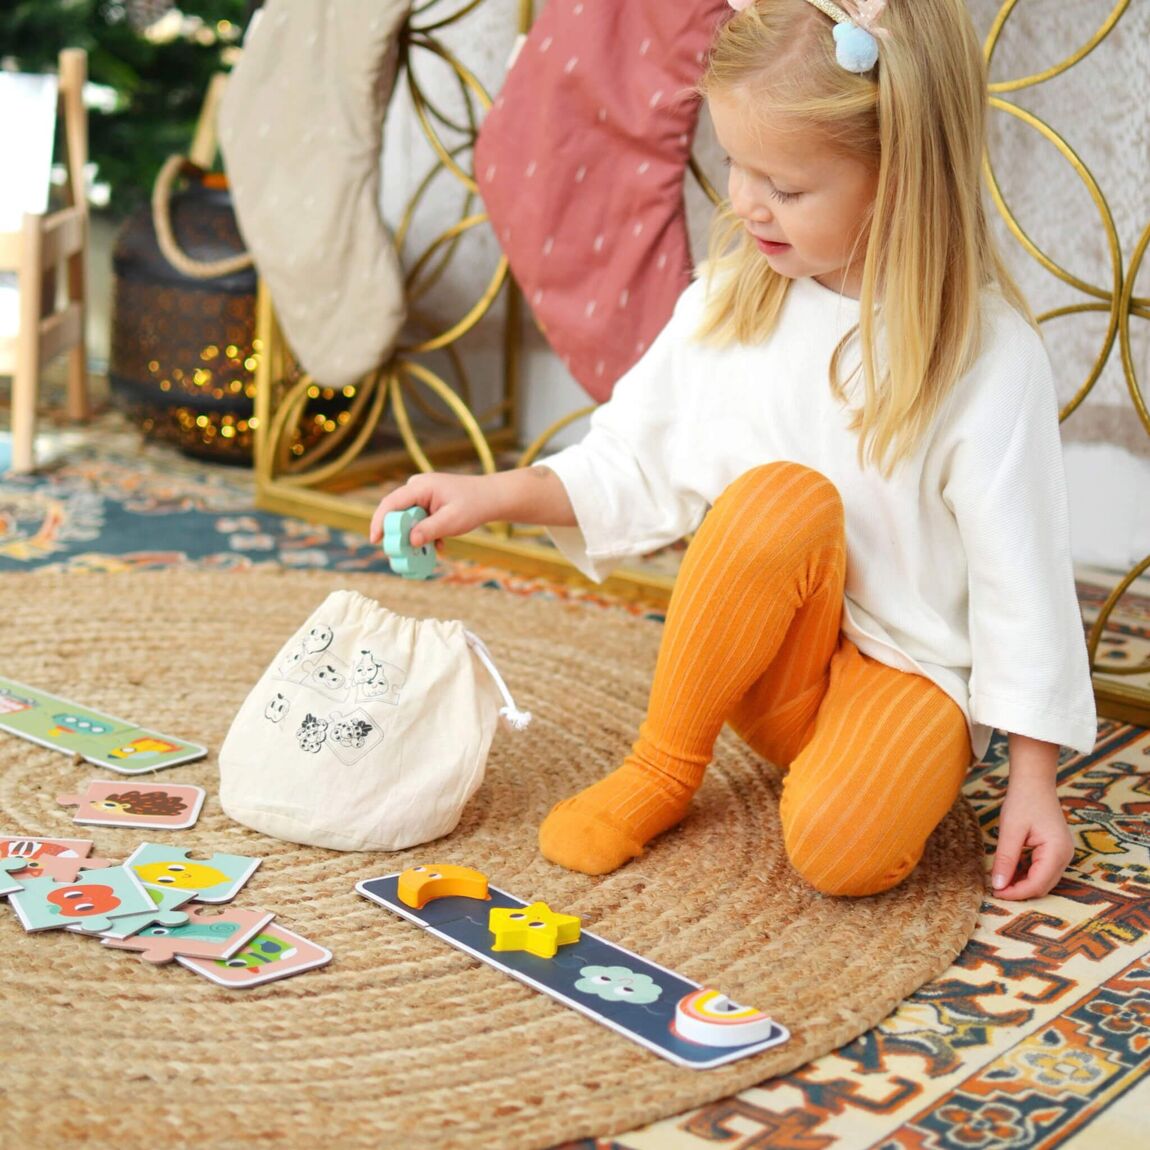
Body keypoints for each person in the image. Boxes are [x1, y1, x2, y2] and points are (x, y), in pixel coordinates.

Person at [371, 0, 1097, 900]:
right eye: (733, 166)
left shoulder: (987, 359)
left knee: (842, 856)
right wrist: (488, 495)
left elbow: (1019, 582)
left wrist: (1035, 778)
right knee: (777, 501)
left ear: (900, 176)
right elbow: (633, 458)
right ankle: (662, 770)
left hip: (912, 675)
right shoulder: (731, 301)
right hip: (767, 659)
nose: (746, 204)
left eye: (785, 188)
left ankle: (851, 774)